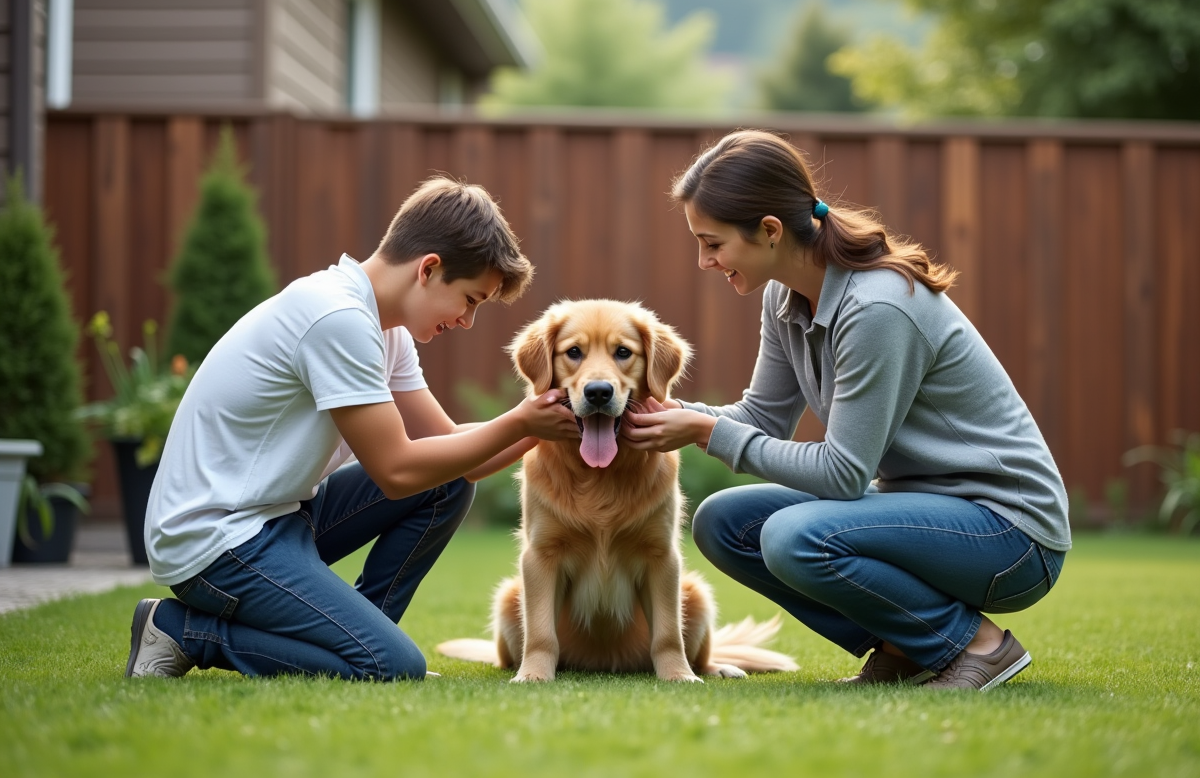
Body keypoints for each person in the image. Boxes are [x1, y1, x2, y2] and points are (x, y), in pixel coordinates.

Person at [621, 130, 1069, 691]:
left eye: (713, 244)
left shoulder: (877, 305)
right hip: (922, 510)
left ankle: (978, 645)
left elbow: (843, 473)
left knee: (790, 536)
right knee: (723, 522)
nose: (704, 261)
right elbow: (761, 418)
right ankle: (904, 645)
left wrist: (706, 432)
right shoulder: (783, 297)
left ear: (769, 231)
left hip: (1011, 535)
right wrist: (669, 413)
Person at [125, 177, 578, 681]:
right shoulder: (336, 318)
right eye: (470, 300)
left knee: (449, 481)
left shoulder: (387, 331)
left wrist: (550, 423)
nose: (468, 321)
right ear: (429, 269)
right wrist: (521, 420)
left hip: (279, 518)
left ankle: (363, 640)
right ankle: (181, 630)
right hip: (216, 540)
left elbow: (452, 450)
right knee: (395, 664)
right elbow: (396, 472)